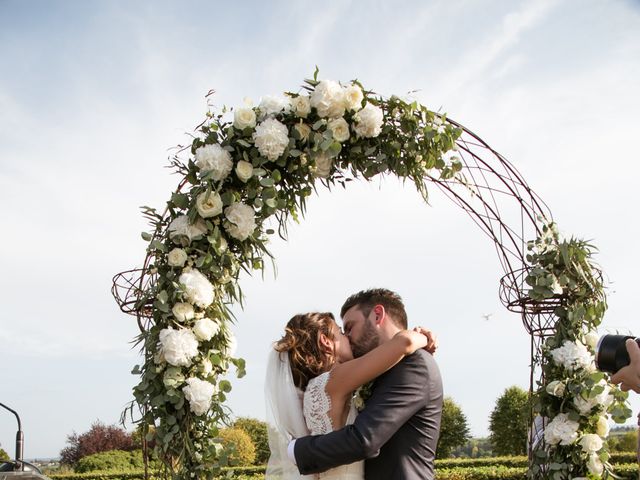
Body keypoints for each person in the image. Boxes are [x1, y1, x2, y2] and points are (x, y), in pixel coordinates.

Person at [265, 306, 436, 480]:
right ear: (326, 341)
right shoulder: (334, 381)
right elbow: (404, 343)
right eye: (341, 333)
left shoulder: (311, 392)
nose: (348, 338)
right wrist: (423, 337)